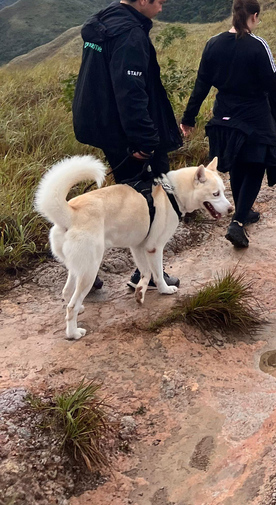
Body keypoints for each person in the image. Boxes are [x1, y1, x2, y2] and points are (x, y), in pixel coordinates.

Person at [72, 0, 183, 289]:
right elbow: (131, 92)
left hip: (104, 124)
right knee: (154, 198)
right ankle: (145, 274)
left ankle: (90, 268)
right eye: (160, 1)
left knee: (126, 196)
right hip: (127, 131)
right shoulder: (130, 33)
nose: (163, 6)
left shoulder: (105, 20)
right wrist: (146, 142)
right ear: (143, 1)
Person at [180, 0, 276, 249]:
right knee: (256, 165)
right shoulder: (258, 46)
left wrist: (188, 119)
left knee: (237, 163)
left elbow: (201, 84)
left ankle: (245, 209)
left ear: (233, 15)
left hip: (224, 117)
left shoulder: (213, 44)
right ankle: (239, 221)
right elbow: (271, 83)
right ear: (254, 16)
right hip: (254, 117)